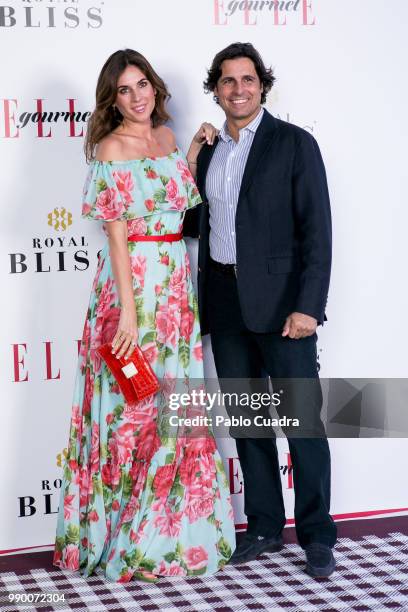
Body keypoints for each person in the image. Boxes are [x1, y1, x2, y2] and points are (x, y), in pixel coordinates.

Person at [53, 48, 235, 583]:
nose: (137, 97)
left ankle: (177, 534)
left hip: (176, 287)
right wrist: (128, 316)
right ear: (112, 99)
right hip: (132, 287)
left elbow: (177, 200)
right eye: (124, 90)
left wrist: (197, 150)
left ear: (155, 87)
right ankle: (126, 536)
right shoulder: (110, 147)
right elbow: (115, 233)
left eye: (143, 86)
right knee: (131, 410)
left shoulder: (169, 137)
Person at [183, 42, 337, 577]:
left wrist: (308, 307)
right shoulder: (207, 152)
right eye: (227, 81)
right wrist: (187, 160)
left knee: (303, 426)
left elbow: (317, 230)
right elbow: (189, 222)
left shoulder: (295, 144)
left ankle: (318, 535)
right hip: (225, 304)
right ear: (216, 89)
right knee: (249, 425)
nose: (238, 89)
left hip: (285, 311)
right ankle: (266, 527)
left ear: (262, 85)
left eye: (247, 79)